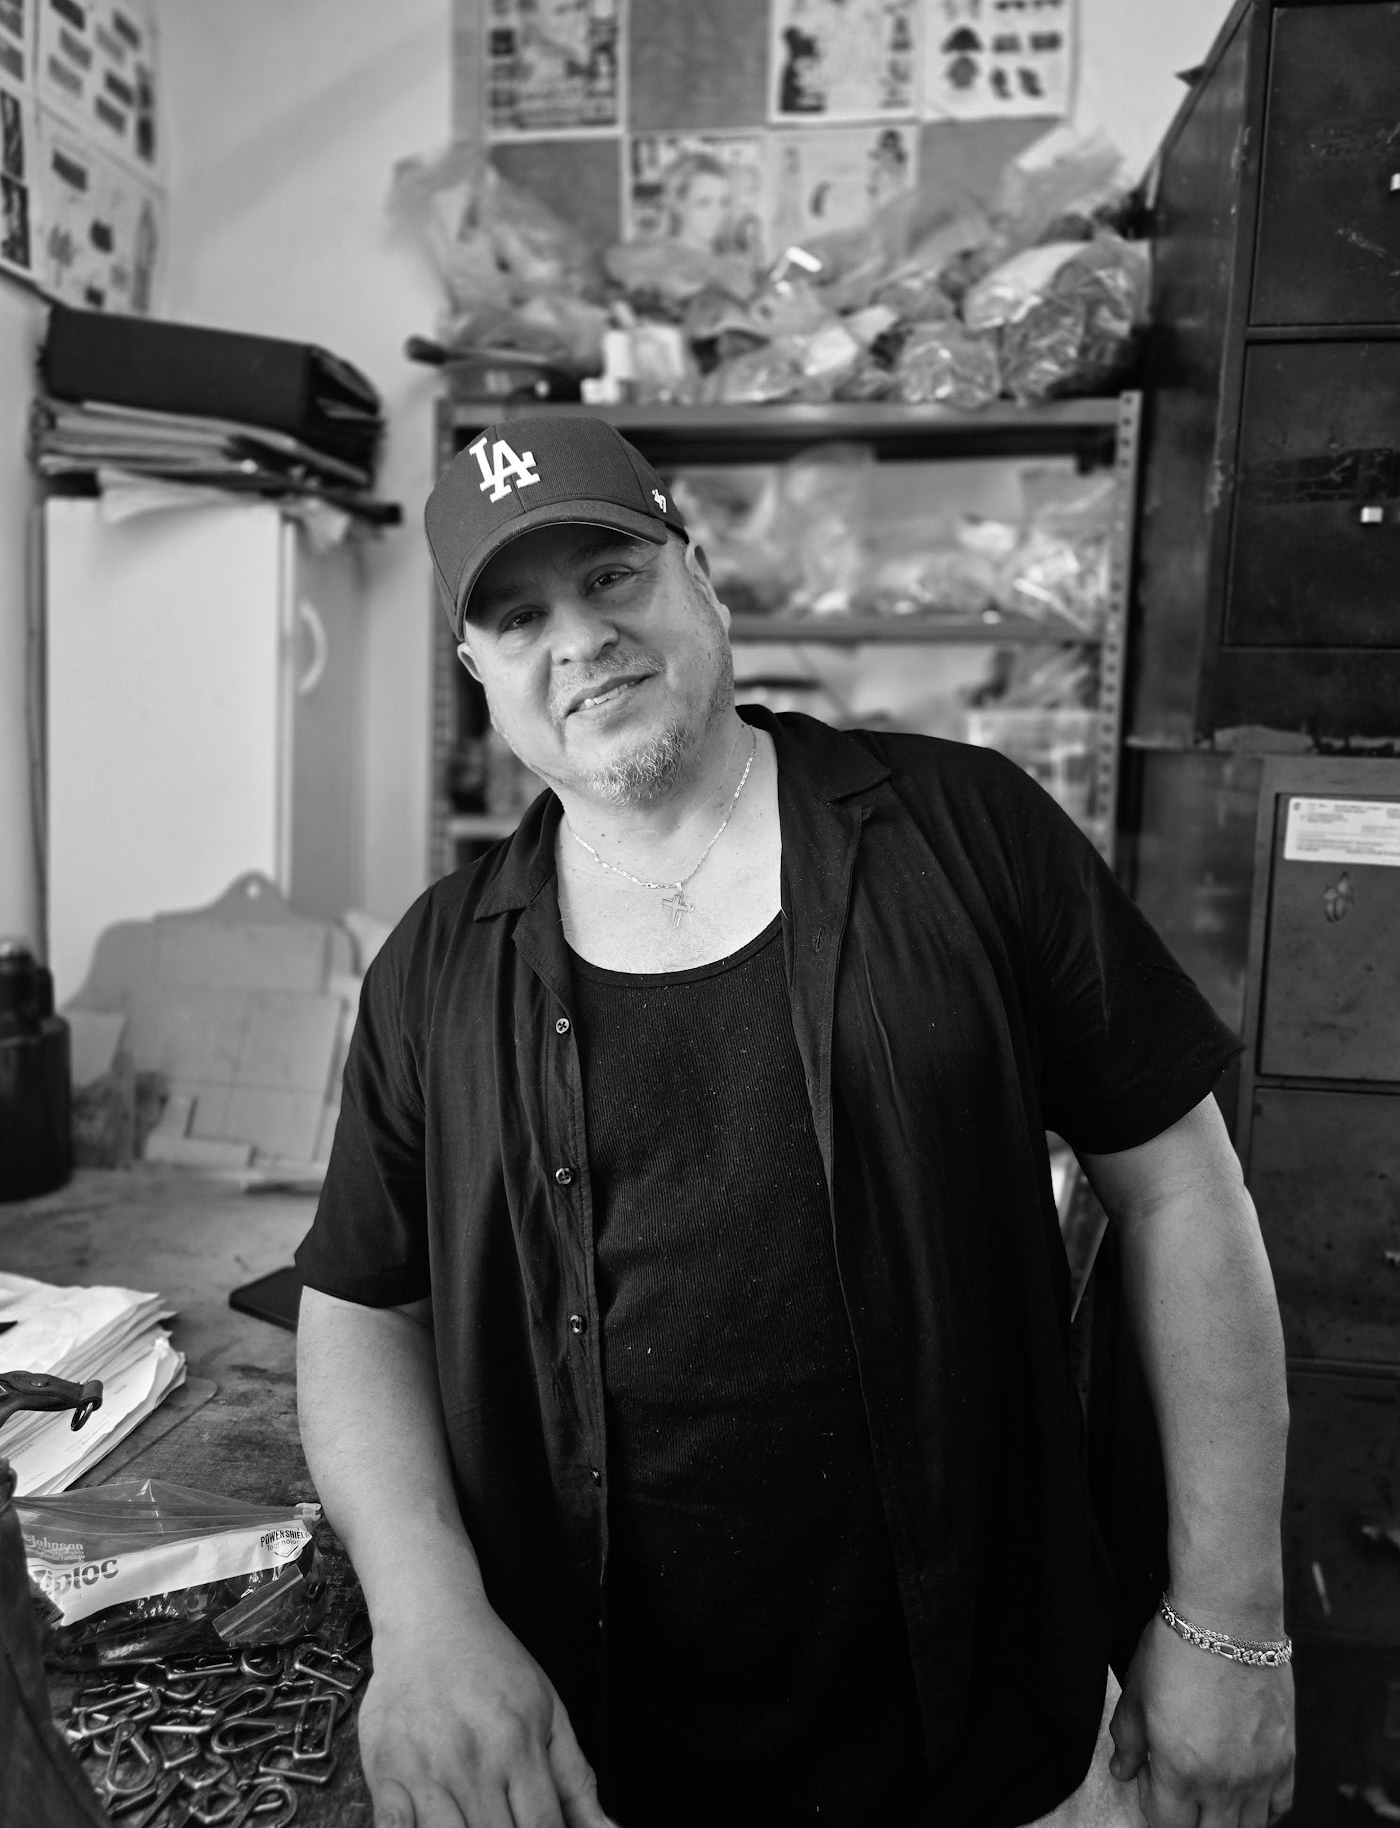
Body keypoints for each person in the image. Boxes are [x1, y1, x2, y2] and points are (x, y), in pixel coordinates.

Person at [295, 414, 1296, 1828]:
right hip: (595, 1765)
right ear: (477, 671)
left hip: (999, 1748)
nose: (580, 641)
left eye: (613, 577)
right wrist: (426, 1613)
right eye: (519, 618)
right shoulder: (434, 970)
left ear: (698, 577)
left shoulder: (967, 833)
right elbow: (360, 1305)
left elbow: (1184, 1192)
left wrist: (1231, 1618)